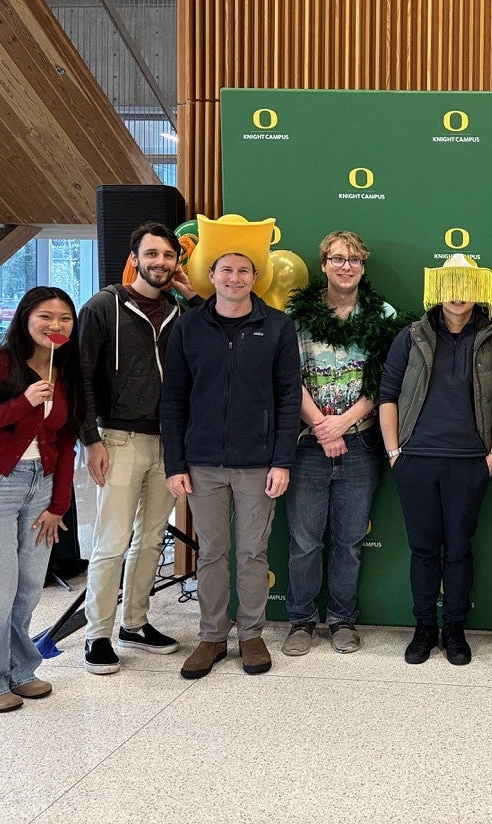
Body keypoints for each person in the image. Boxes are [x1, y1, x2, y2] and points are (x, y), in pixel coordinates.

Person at [161, 251, 301, 680]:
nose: (235, 278)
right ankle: (212, 636)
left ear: (255, 277)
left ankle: (252, 634)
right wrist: (174, 464)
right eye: (227, 270)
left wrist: (282, 460)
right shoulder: (188, 327)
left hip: (258, 463)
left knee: (252, 552)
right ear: (212, 275)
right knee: (211, 553)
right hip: (201, 463)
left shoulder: (277, 326)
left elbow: (288, 398)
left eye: (243, 271)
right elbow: (173, 399)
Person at [0, 287, 83, 712]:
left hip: (39, 486)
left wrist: (58, 505)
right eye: (46, 316)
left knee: (27, 588)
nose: (55, 325)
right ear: (25, 319)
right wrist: (23, 403)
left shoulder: (66, 370)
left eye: (64, 318)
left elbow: (65, 442)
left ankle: (20, 669)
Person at [77, 222, 196, 675]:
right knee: (112, 541)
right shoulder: (103, 306)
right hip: (118, 438)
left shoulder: (179, 312)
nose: (159, 262)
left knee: (150, 539)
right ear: (134, 258)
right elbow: (81, 378)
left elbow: (213, 335)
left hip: (169, 441)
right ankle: (97, 635)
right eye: (151, 254)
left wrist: (192, 295)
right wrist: (90, 439)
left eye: (168, 255)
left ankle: (135, 623)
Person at [378, 254, 492, 667]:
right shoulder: (411, 336)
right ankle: (424, 628)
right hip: (416, 459)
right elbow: (388, 393)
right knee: (422, 550)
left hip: (469, 462)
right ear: (438, 289)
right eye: (450, 284)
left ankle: (454, 627)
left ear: (478, 291)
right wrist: (394, 452)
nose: (458, 294)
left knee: (458, 549)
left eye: (466, 285)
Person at [281, 230, 407, 657]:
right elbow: (288, 378)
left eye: (354, 260)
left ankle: (341, 620)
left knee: (350, 541)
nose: (346, 266)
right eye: (338, 259)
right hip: (307, 444)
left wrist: (344, 423)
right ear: (324, 265)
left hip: (361, 444)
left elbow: (386, 381)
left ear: (363, 267)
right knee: (304, 541)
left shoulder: (383, 315)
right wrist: (322, 426)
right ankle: (301, 620)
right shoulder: (297, 315)